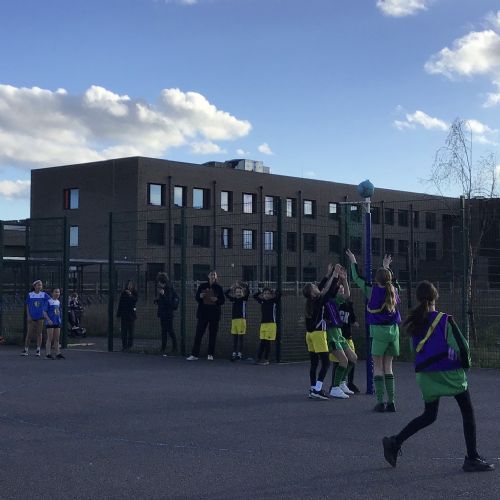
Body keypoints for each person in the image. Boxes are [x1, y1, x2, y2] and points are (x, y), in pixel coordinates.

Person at [382, 281, 495, 473]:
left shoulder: (416, 322)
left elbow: (416, 350)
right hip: (448, 373)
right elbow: (462, 347)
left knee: (429, 415)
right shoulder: (445, 319)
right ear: (436, 296)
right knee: (467, 411)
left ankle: (395, 441)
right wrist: (465, 364)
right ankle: (472, 457)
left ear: (419, 298)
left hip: (425, 375)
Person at [346, 249, 401, 412]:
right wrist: (387, 267)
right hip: (393, 332)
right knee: (388, 367)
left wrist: (353, 261)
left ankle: (380, 402)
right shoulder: (394, 290)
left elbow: (357, 278)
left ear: (376, 279)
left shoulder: (372, 290)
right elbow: (392, 282)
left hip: (378, 332)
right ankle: (392, 402)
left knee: (377, 368)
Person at [303, 264, 339, 399]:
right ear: (313, 293)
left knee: (314, 363)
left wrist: (328, 274)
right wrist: (335, 274)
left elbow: (321, 286)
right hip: (318, 334)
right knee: (326, 362)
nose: (316, 286)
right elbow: (328, 289)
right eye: (314, 287)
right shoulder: (319, 299)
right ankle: (317, 389)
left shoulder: (311, 300)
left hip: (309, 335)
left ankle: (313, 388)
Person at [321, 269, 358, 399]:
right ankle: (335, 388)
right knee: (343, 360)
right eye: (339, 289)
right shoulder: (326, 300)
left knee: (353, 358)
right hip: (331, 335)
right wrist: (335, 274)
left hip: (339, 334)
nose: (342, 291)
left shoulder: (337, 301)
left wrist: (344, 280)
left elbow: (347, 294)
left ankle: (342, 382)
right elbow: (328, 288)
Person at [187, 271, 225, 361]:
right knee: (199, 334)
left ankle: (210, 354)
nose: (213, 276)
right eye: (211, 274)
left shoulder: (219, 288)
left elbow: (222, 301)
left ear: (216, 277)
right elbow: (197, 298)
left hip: (214, 314)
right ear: (208, 276)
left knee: (212, 335)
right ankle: (194, 354)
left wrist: (216, 299)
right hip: (203, 313)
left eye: (214, 275)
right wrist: (200, 296)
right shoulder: (202, 286)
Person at [253, 287, 281, 365]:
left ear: (271, 295)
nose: (266, 295)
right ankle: (258, 358)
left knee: (267, 342)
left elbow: (279, 294)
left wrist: (273, 291)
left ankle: (266, 359)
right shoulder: (262, 301)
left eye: (268, 293)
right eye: (265, 293)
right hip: (263, 324)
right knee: (262, 342)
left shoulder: (274, 301)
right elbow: (254, 296)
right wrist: (260, 291)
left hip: (271, 324)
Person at [338, 296, 360, 393]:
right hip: (338, 337)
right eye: (340, 290)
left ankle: (349, 382)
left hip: (348, 337)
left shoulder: (349, 305)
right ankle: (335, 384)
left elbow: (353, 320)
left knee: (353, 359)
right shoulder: (336, 304)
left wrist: (355, 323)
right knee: (338, 361)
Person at [22, 280, 50, 356]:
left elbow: (50, 301)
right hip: (32, 317)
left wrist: (45, 311)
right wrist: (28, 316)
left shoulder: (44, 294)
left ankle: (38, 350)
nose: (39, 286)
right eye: (38, 285)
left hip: (40, 317)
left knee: (39, 333)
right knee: (29, 334)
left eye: (41, 285)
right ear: (34, 286)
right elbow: (27, 306)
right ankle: (26, 350)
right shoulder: (30, 294)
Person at [155, 272, 179, 356]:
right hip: (164, 313)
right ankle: (163, 348)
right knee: (164, 331)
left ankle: (175, 347)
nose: (158, 283)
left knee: (170, 330)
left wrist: (163, 295)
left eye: (159, 281)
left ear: (162, 281)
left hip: (168, 314)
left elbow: (169, 302)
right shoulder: (165, 289)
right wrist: (158, 301)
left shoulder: (168, 289)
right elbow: (164, 302)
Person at [225, 281, 250, 361]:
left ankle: (239, 353)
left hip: (241, 320)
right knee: (235, 337)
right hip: (234, 320)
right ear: (235, 293)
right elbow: (226, 294)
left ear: (242, 292)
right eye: (236, 292)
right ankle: (234, 353)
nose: (238, 293)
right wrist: (231, 288)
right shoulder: (234, 299)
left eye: (239, 292)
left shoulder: (244, 299)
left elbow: (248, 292)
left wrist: (245, 285)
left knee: (240, 338)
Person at [116, 280, 138, 351]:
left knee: (131, 331)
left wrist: (130, 295)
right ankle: (124, 346)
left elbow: (135, 300)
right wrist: (118, 314)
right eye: (128, 285)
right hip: (124, 314)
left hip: (131, 315)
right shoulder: (123, 293)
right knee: (124, 331)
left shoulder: (134, 293)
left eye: (131, 285)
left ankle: (130, 345)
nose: (129, 286)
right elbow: (120, 304)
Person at [45, 288, 65, 359]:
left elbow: (59, 312)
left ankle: (58, 353)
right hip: (50, 323)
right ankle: (48, 354)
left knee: (57, 339)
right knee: (50, 338)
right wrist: (48, 320)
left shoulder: (58, 302)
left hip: (57, 322)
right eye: (56, 292)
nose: (57, 294)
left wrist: (59, 320)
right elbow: (44, 312)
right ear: (52, 293)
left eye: (58, 292)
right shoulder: (49, 301)